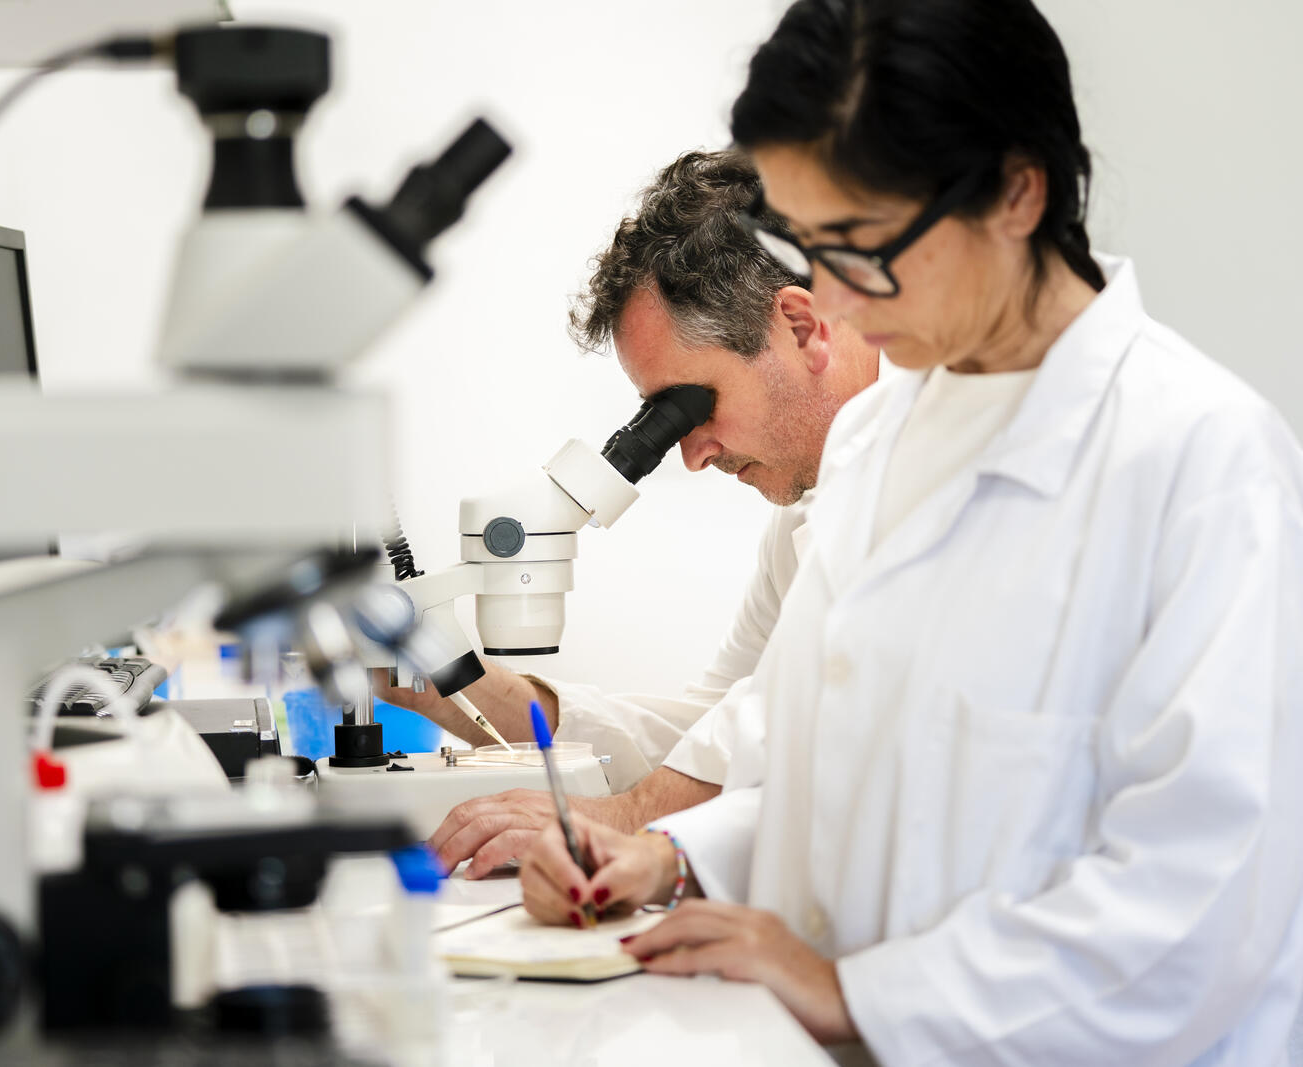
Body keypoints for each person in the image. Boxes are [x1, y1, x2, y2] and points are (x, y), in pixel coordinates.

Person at [520, 1, 1303, 1063]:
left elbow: (1196, 910)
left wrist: (854, 990)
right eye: (805, 246)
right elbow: (847, 784)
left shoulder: (1200, 462)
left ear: (1016, 192)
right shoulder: (879, 441)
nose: (829, 298)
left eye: (860, 247)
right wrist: (673, 855)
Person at [377, 149, 881, 874]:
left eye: (690, 405)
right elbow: (707, 738)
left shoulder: (940, 467)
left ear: (801, 327)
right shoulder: (804, 515)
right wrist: (446, 680)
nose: (692, 456)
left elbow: (808, 731)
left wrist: (620, 821)